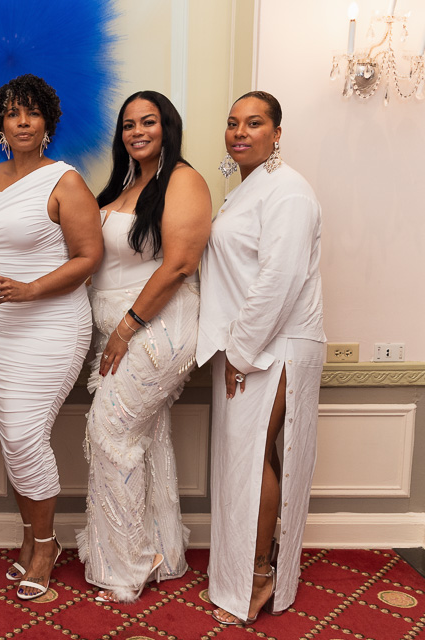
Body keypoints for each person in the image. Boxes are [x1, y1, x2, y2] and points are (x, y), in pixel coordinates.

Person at [75, 91, 212, 603]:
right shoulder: (126, 184)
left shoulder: (183, 180)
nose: (137, 131)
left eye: (148, 122)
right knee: (143, 438)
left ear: (167, 126)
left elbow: (179, 265)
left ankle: (129, 563)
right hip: (124, 333)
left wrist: (126, 327)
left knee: (109, 433)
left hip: (155, 332)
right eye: (129, 124)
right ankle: (162, 552)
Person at [197, 91, 325, 625]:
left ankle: (258, 576)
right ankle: (245, 571)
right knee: (246, 458)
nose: (240, 132)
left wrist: (242, 352)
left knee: (253, 459)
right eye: (233, 123)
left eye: (254, 123)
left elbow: (280, 278)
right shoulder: (245, 191)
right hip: (250, 344)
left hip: (275, 346)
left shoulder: (289, 191)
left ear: (277, 133)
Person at [0, 73, 104, 601]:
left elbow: (89, 257)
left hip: (53, 325)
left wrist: (30, 290)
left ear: (48, 121)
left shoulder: (66, 181)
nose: (23, 121)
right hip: (0, 329)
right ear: (1, 125)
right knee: (13, 439)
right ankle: (30, 538)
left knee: (28, 437)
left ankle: (47, 547)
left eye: (32, 112)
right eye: (13, 113)